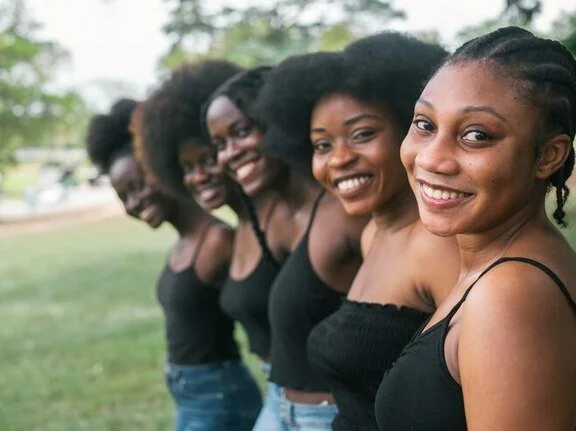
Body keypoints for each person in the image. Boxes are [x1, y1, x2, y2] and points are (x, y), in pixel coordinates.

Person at [375, 27, 576, 431]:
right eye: (424, 124)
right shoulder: (503, 262)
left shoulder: (511, 294)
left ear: (549, 156)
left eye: (476, 135)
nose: (432, 159)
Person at [257, 33, 458, 430]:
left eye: (363, 134)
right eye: (321, 145)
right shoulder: (372, 236)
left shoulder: (437, 247)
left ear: (413, 134)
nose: (340, 159)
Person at [86, 94, 262, 431]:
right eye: (125, 196)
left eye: (139, 185)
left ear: (161, 170)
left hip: (219, 396)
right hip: (188, 394)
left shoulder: (217, 241)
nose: (135, 201)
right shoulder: (184, 243)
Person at [214, 55, 368, 430]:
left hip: (328, 414)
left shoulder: (343, 212)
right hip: (279, 405)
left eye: (241, 132)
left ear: (278, 122)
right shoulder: (270, 217)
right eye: (219, 143)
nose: (229, 153)